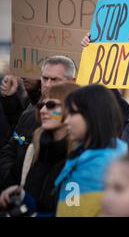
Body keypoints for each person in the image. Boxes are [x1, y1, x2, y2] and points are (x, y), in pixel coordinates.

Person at [0, 83, 80, 217]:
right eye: (41, 105)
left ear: (72, 109)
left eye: (51, 105)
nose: (43, 110)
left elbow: (71, 212)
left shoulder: (80, 158)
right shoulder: (34, 149)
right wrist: (22, 196)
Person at [0, 56, 76, 191]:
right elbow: (10, 150)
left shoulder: (79, 126)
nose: (47, 84)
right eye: (45, 78)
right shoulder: (29, 116)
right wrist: (13, 186)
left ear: (72, 82)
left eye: (54, 79)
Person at [54, 85, 128, 216]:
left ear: (92, 114)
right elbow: (72, 208)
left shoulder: (107, 165)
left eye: (72, 113)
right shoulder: (84, 156)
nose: (66, 121)